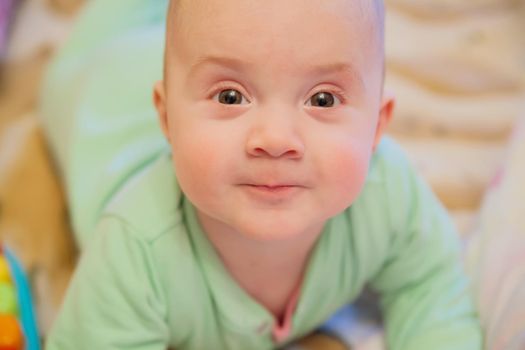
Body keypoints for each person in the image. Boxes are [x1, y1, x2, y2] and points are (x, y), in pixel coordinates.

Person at [43, 0, 483, 349]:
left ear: (377, 129)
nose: (275, 138)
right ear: (166, 119)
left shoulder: (388, 195)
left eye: (323, 99)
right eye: (231, 96)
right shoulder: (133, 250)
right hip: (101, 82)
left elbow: (430, 290)